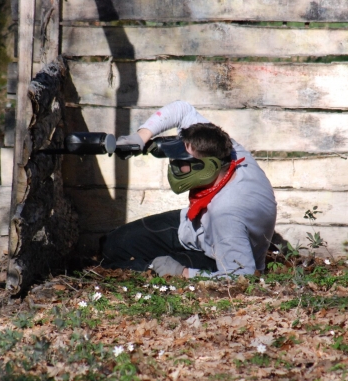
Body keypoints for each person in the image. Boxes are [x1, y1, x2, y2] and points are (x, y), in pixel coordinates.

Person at [101, 101, 277, 278]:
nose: (175, 166)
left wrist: (183, 273)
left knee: (126, 266)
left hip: (216, 256)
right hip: (196, 227)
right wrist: (141, 137)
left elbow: (242, 275)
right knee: (113, 245)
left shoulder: (226, 214)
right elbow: (182, 110)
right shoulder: (230, 150)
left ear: (207, 167)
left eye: (182, 162)